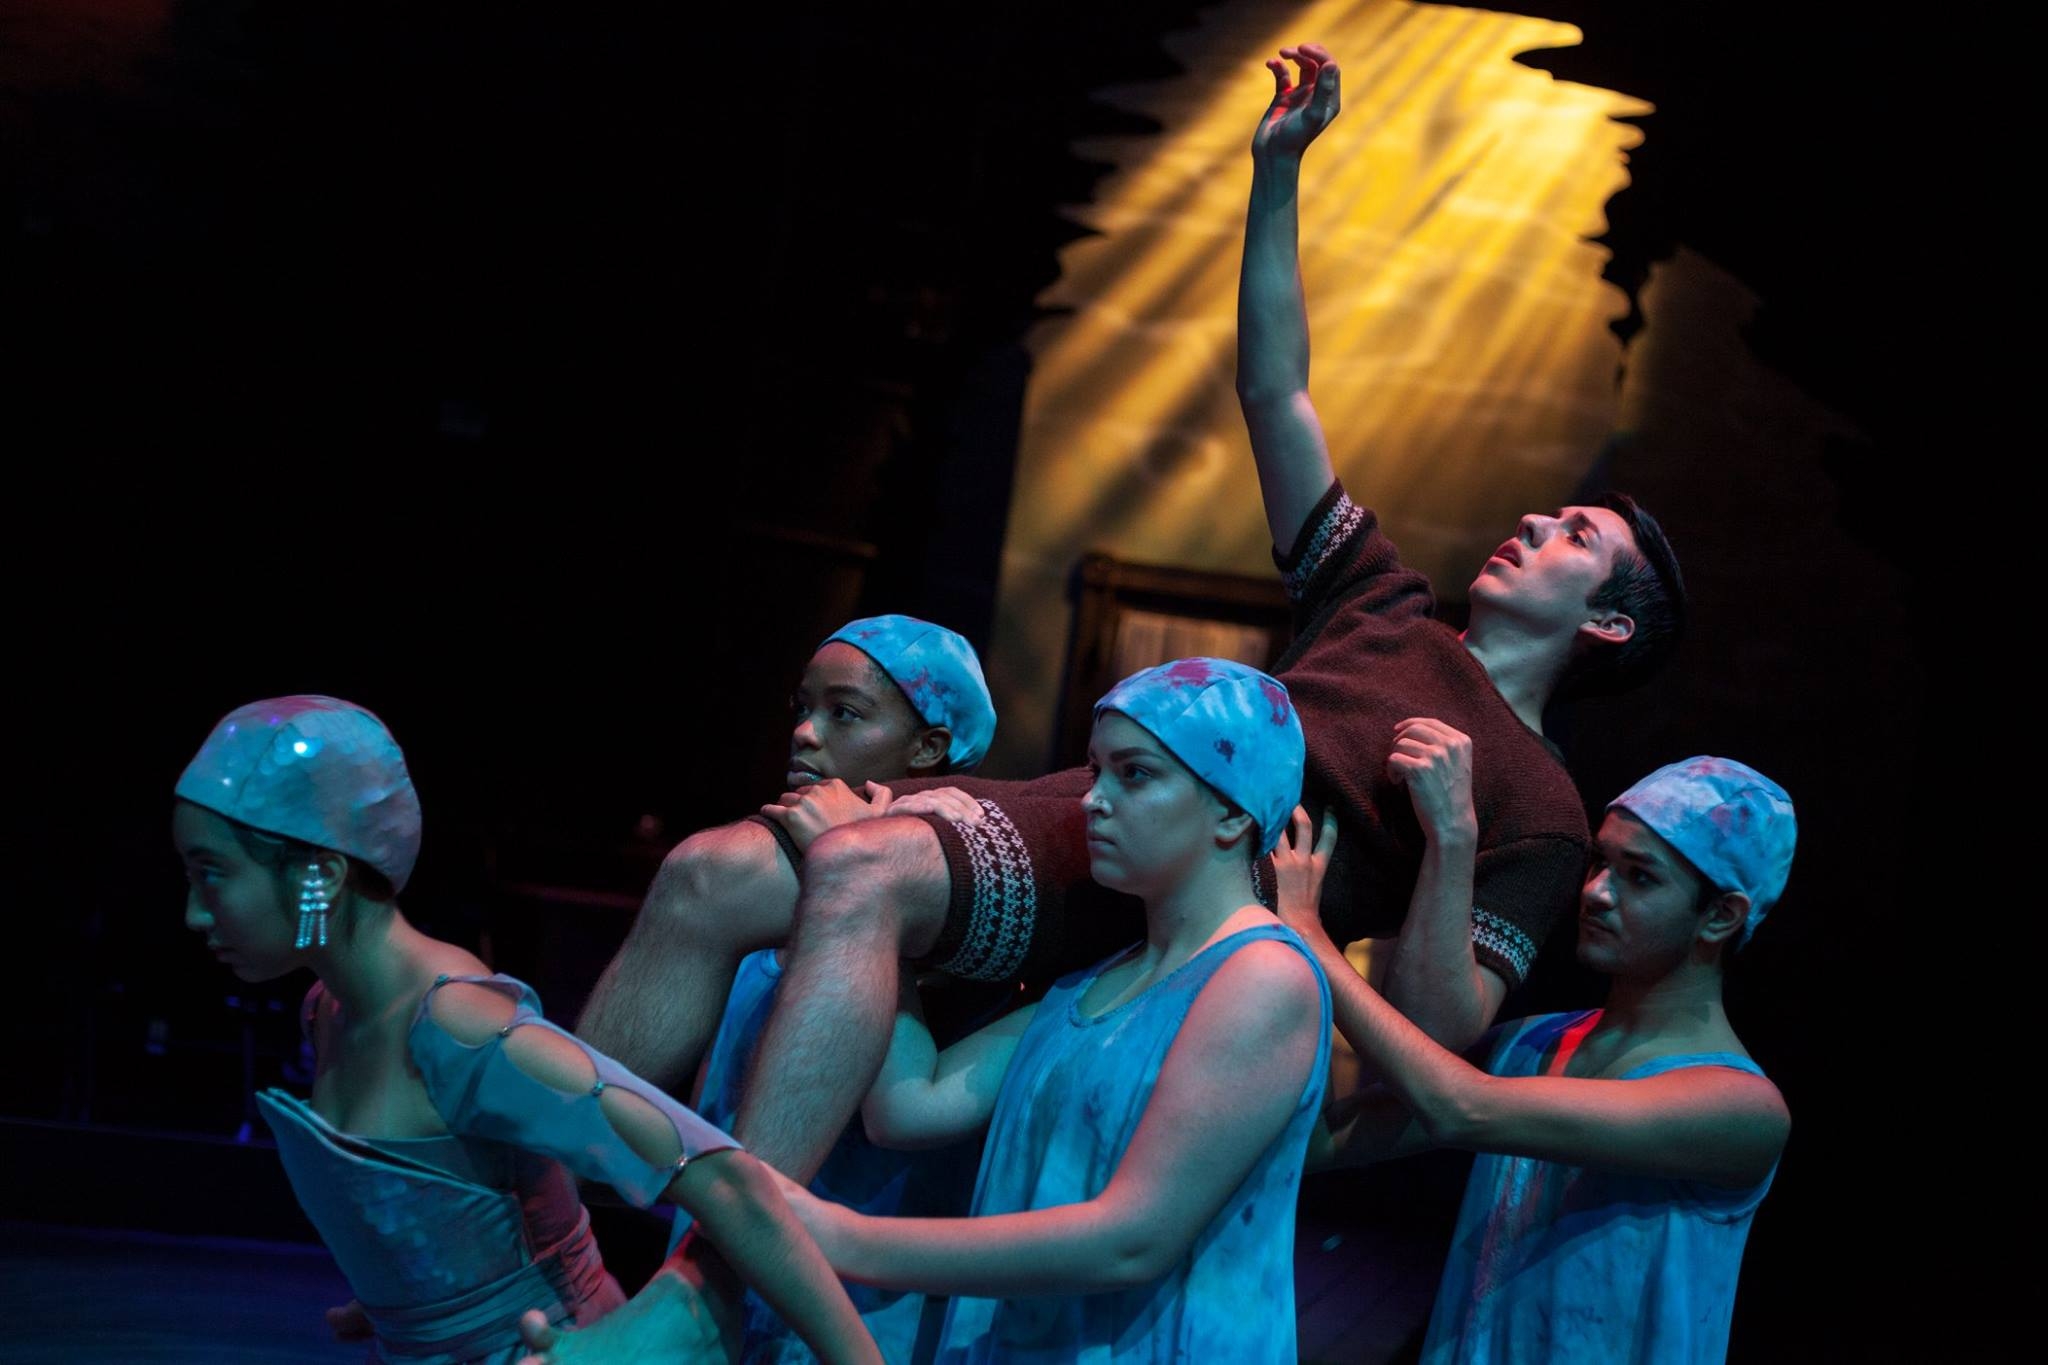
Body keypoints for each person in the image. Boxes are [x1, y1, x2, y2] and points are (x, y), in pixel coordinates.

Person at [172, 695, 879, 1364]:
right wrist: (413, 1294)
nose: (196, 915)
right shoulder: (328, 1009)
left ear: (320, 874)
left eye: (212, 876)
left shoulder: (461, 1028)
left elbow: (730, 1182)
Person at [776, 658, 1329, 1363]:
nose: (1093, 800)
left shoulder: (1262, 975)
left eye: (1134, 774)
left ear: (1230, 811)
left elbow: (1131, 1238)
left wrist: (839, 1236)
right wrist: (869, 890)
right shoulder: (1090, 983)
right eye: (1097, 771)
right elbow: (909, 1106)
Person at [1274, 739, 1794, 1363]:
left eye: (1639, 876)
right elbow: (1339, 1137)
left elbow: (1460, 1107)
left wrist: (1308, 935)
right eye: (1600, 862)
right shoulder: (1532, 1044)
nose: (1597, 892)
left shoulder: (1739, 1107)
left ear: (1720, 917)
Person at [660, 616, 1000, 1362]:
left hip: (854, 1320)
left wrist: (863, 876)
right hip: (722, 1303)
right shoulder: (758, 930)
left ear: (928, 748)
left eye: (843, 712)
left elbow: (901, 1114)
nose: (805, 734)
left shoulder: (965, 942)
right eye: (802, 708)